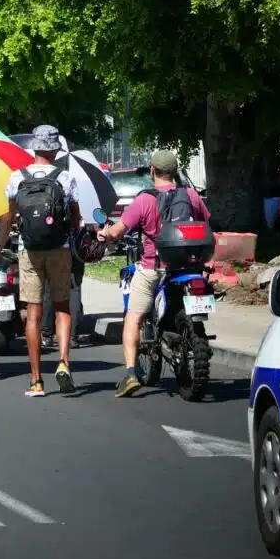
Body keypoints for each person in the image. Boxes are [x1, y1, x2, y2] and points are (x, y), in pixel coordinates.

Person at [96, 148, 210, 397]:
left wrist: (104, 232)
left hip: (153, 269)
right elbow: (206, 221)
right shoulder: (190, 195)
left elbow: (117, 232)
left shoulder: (144, 200)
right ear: (175, 171)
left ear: (152, 171)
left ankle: (129, 374)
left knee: (133, 318)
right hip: (189, 268)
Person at [0, 124, 80, 398]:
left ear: (33, 148)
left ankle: (36, 380)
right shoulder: (65, 178)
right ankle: (64, 362)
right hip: (60, 248)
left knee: (33, 312)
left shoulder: (16, 177)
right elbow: (75, 218)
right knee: (62, 306)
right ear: (55, 150)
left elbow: (7, 218)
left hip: (28, 250)